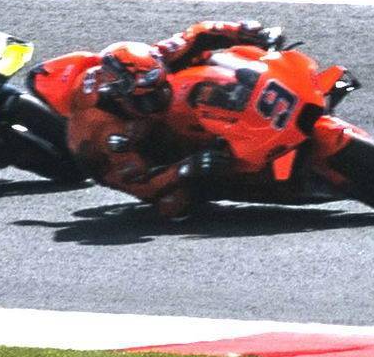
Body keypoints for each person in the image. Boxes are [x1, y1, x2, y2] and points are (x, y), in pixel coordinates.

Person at [57, 21, 294, 215]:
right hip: (120, 161)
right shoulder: (106, 130)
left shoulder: (152, 60)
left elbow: (200, 34)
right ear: (119, 96)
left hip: (151, 119)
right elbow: (135, 182)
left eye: (160, 90)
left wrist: (247, 32)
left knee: (214, 60)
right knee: (175, 203)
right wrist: (185, 167)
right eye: (145, 100)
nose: (155, 101)